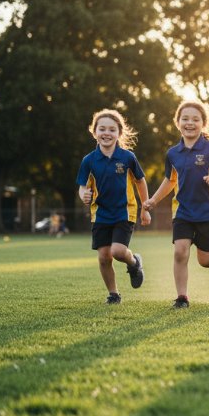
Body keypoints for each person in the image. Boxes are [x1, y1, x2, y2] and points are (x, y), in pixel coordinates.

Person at [143, 100, 209, 310]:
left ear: (203, 123)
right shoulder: (173, 153)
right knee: (180, 252)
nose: (189, 123)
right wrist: (153, 200)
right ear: (177, 122)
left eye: (195, 119)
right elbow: (170, 180)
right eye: (185, 119)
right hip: (182, 211)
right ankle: (182, 297)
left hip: (208, 213)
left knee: (204, 260)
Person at [76, 109, 151, 305]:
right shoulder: (88, 160)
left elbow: (140, 182)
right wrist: (83, 194)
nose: (106, 133)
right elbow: (82, 186)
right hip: (100, 214)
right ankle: (114, 294)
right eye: (102, 129)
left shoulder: (127, 157)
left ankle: (134, 263)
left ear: (119, 133)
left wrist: (146, 207)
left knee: (117, 251)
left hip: (124, 212)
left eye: (112, 129)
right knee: (104, 257)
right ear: (95, 132)